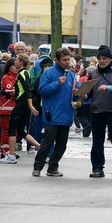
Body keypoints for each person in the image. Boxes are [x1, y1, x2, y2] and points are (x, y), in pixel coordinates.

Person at [32, 47, 80, 177]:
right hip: (51, 114)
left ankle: (53, 166)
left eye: (68, 59)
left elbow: (74, 95)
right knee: (47, 142)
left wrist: (78, 93)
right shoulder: (48, 73)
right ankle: (37, 166)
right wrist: (57, 84)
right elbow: (42, 91)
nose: (67, 62)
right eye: (64, 60)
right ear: (56, 60)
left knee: (62, 144)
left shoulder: (71, 75)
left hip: (66, 114)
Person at [85, 45, 112, 179]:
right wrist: (83, 96)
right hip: (97, 111)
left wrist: (110, 88)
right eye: (100, 58)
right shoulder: (93, 73)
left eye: (104, 58)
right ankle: (98, 168)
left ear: (110, 59)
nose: (101, 61)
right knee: (97, 141)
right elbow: (89, 92)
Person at [0, 53, 40, 164]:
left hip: (21, 105)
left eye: (17, 60)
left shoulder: (22, 73)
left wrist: (31, 106)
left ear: (21, 62)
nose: (15, 61)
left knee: (12, 128)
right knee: (21, 131)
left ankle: (11, 156)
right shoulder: (25, 73)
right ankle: (40, 147)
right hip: (24, 105)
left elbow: (27, 91)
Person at [0, 58, 18, 158]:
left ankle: (11, 150)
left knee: (14, 131)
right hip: (6, 108)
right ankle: (5, 150)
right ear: (9, 67)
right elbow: (10, 91)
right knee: (6, 130)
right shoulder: (7, 77)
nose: (16, 67)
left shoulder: (18, 76)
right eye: (14, 65)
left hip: (15, 108)